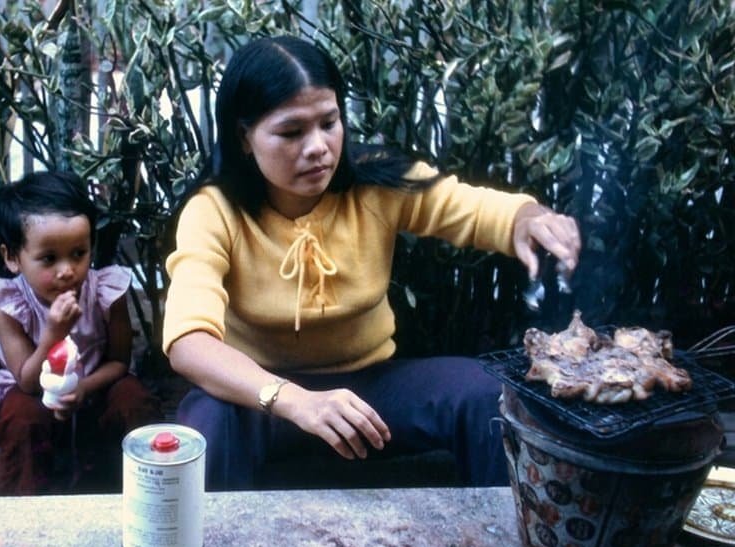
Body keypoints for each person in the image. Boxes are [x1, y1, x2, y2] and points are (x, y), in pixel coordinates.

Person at [163, 35, 581, 491]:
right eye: (291, 132)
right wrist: (295, 400)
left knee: (486, 395)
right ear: (245, 138)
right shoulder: (214, 211)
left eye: (329, 122)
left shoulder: (375, 183)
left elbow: (474, 208)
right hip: (261, 397)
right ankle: (211, 540)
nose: (318, 146)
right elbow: (189, 342)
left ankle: (504, 529)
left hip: (372, 390)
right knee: (207, 423)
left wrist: (527, 218)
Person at [0, 171, 163, 494]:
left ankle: (141, 495)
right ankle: (24, 509)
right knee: (22, 418)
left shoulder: (107, 291)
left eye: (79, 253)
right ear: (12, 258)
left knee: (133, 401)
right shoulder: (8, 303)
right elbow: (27, 381)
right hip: (33, 393)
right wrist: (54, 332)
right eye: (49, 259)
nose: (67, 271)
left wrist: (83, 388)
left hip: (96, 385)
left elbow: (119, 363)